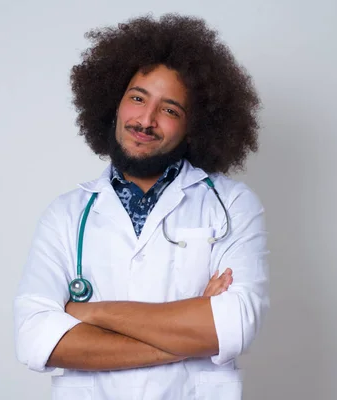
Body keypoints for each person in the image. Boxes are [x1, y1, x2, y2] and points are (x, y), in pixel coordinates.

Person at [14, 13, 269, 399]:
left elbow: (233, 327)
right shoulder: (66, 215)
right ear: (113, 104)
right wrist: (191, 328)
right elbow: (36, 340)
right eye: (137, 98)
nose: (146, 120)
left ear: (194, 126)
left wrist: (88, 313)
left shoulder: (231, 205)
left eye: (170, 109)